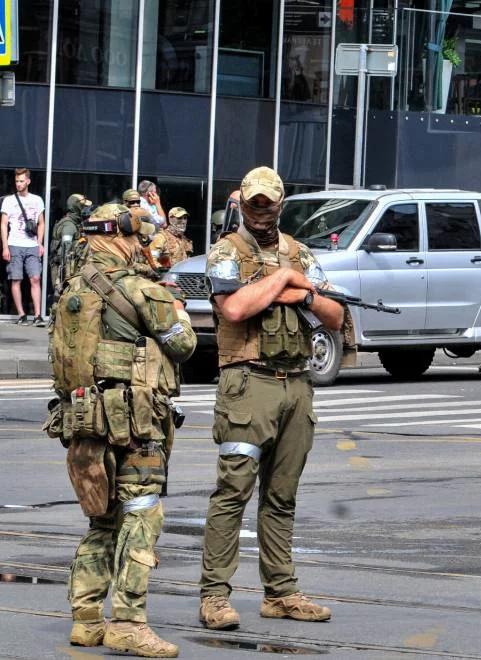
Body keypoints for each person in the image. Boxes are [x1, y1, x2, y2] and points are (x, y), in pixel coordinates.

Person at [198, 166, 345, 630]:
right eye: (253, 203)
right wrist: (285, 282)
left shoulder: (300, 254)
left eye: (269, 203)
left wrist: (298, 295)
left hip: (296, 384)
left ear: (281, 204)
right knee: (232, 492)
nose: (261, 211)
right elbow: (236, 307)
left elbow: (335, 315)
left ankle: (280, 592)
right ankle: (214, 597)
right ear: (241, 202)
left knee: (282, 495)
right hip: (249, 382)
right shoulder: (225, 252)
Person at [48, 202, 196, 657]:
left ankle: (87, 618)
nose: (141, 246)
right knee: (142, 513)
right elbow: (183, 344)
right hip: (134, 423)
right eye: (137, 238)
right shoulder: (136, 288)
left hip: (84, 420)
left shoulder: (71, 290)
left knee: (102, 518)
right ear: (120, 237)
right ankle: (129, 621)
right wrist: (177, 309)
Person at [1, 168, 47, 325]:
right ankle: (21, 314)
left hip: (32, 244)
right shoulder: (9, 201)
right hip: (14, 243)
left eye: (21, 181)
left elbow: (41, 223)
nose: (18, 184)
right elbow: (3, 224)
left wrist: (40, 243)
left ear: (28, 181)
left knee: (35, 278)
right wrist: (5, 247)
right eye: (16, 181)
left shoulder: (37, 200)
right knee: (16, 279)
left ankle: (38, 315)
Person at [51, 193, 92, 298]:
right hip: (65, 272)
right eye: (83, 206)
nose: (85, 209)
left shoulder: (76, 223)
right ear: (76, 207)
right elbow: (65, 251)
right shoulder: (69, 225)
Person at [148, 207, 193, 271]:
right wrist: (164, 272)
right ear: (171, 219)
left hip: (183, 277)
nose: (183, 221)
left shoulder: (186, 240)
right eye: (179, 218)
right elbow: (151, 260)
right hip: (166, 277)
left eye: (185, 218)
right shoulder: (161, 237)